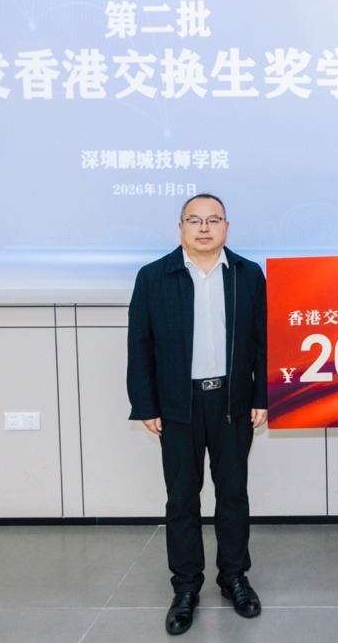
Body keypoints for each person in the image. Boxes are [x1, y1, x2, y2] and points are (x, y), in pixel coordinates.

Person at [126, 194, 269, 635]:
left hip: (232, 402)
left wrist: (261, 396)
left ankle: (234, 578)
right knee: (182, 499)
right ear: (181, 227)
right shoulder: (154, 277)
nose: (204, 228)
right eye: (194, 220)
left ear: (226, 226)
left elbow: (263, 341)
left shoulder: (247, 274)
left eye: (213, 220)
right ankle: (186, 587)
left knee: (233, 495)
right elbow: (139, 344)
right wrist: (146, 404)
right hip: (177, 406)